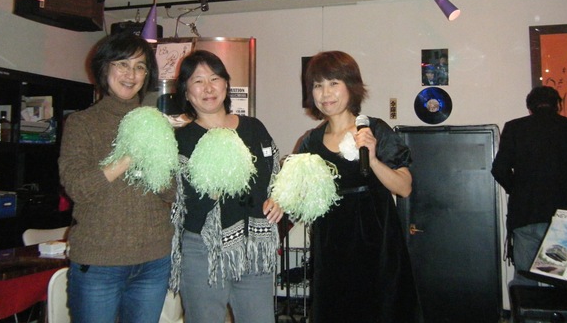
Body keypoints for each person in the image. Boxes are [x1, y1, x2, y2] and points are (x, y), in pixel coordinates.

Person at [58, 32, 173, 323]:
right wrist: (127, 157)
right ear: (104, 68)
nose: (131, 74)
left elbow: (171, 192)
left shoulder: (157, 124)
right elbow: (78, 187)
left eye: (139, 67)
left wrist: (160, 162)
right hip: (99, 262)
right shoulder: (82, 123)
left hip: (154, 259)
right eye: (122, 64)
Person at [298, 50, 419, 323]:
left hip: (376, 242)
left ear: (351, 86)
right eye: (317, 85)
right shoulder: (310, 141)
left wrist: (373, 159)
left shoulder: (374, 130)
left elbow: (404, 188)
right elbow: (299, 194)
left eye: (333, 83)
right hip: (331, 244)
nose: (325, 93)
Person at [169, 50, 284, 323]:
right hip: (203, 251)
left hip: (254, 248)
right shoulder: (181, 140)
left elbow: (275, 174)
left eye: (215, 78)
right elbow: (179, 202)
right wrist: (213, 186)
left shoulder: (254, 128)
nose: (208, 88)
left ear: (226, 84)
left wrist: (279, 198)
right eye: (198, 81)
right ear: (186, 92)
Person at [491, 86, 567, 287]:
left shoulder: (515, 128)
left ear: (530, 108)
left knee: (525, 280)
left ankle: (528, 308)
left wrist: (517, 189)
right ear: (559, 105)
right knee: (563, 280)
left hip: (526, 213)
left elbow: (499, 169)